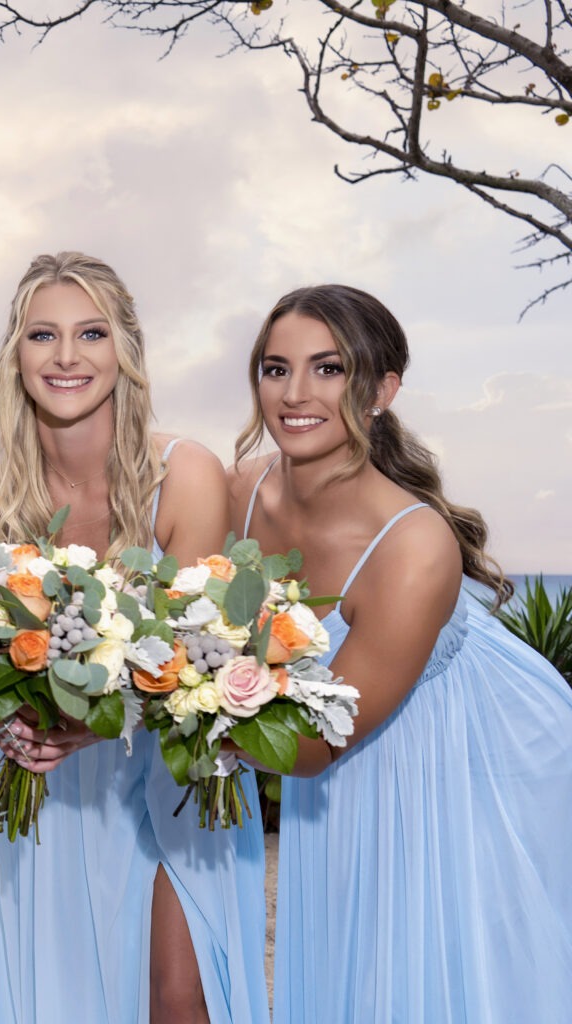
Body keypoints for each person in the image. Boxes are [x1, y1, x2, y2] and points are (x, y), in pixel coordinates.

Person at [230, 283, 572, 1023]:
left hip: (464, 758)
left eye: (329, 369)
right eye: (274, 367)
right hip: (338, 745)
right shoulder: (245, 488)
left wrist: (163, 695)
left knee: (443, 971)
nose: (295, 393)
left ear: (382, 388)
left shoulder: (414, 546)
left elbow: (315, 745)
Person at [0, 252, 269, 1024]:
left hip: (172, 763)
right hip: (48, 784)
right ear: (14, 355)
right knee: (59, 997)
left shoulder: (185, 472)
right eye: (43, 336)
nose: (67, 357)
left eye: (91, 333)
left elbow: (200, 656)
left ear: (125, 350)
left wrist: (90, 726)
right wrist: (6, 716)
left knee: (179, 998)